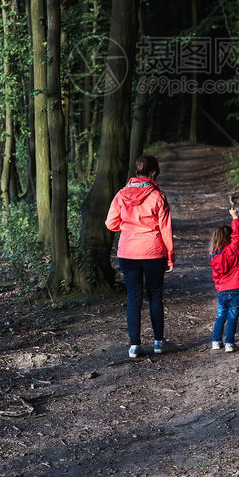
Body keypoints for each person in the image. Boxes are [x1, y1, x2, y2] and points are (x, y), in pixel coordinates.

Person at [105, 154, 174, 360]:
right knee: (155, 296)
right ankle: (159, 343)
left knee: (133, 298)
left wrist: (126, 229)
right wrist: (170, 257)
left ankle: (134, 346)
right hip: (153, 253)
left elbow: (110, 223)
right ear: (153, 173)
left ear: (137, 173)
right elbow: (165, 229)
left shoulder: (121, 195)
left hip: (128, 253)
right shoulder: (157, 196)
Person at [209, 206, 239, 352]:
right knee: (232, 317)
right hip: (236, 288)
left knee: (220, 316)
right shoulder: (233, 249)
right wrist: (235, 217)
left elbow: (216, 276)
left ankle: (215, 341)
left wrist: (219, 287)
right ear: (229, 238)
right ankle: (229, 343)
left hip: (223, 291)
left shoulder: (214, 256)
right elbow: (237, 235)